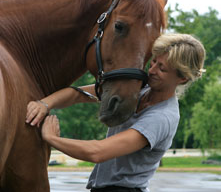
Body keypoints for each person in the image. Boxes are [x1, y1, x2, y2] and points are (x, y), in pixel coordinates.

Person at [26, 33, 206, 192]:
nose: (151, 70)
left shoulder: (162, 117)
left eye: (162, 68)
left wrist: (53, 139)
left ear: (182, 78)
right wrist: (44, 103)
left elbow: (97, 152)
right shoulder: (139, 89)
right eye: (153, 62)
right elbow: (77, 94)